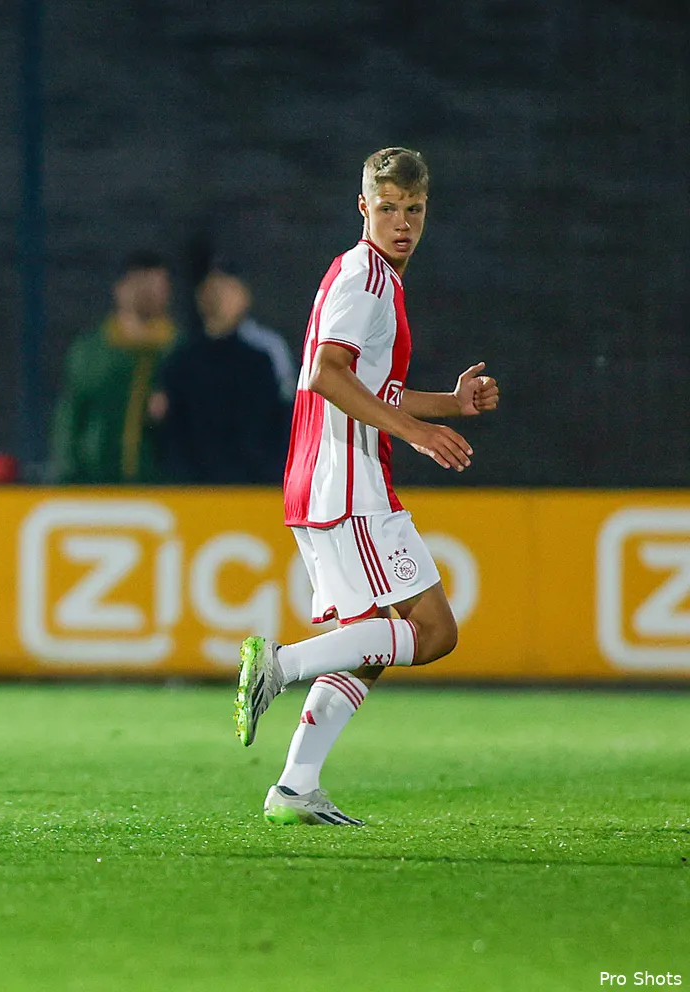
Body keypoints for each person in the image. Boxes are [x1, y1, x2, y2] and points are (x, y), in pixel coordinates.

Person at [232, 147, 500, 826]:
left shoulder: (366, 275)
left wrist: (449, 403)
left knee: (369, 645)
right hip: (348, 482)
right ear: (363, 208)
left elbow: (371, 385)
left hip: (323, 482)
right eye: (388, 208)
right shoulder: (369, 278)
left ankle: (294, 788)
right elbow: (325, 374)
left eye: (413, 209)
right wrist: (412, 433)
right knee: (433, 631)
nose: (402, 222)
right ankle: (279, 667)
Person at [49, 251, 179, 483]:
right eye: (141, 283)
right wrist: (68, 476)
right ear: (120, 288)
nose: (148, 293)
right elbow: (70, 417)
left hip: (160, 488)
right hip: (96, 484)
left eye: (158, 285)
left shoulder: (178, 352)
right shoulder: (93, 351)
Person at [151, 267, 288, 483]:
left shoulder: (259, 362)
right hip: (190, 491)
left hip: (252, 490)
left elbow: (273, 427)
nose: (219, 297)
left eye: (228, 290)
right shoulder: (180, 362)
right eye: (214, 289)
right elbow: (170, 434)